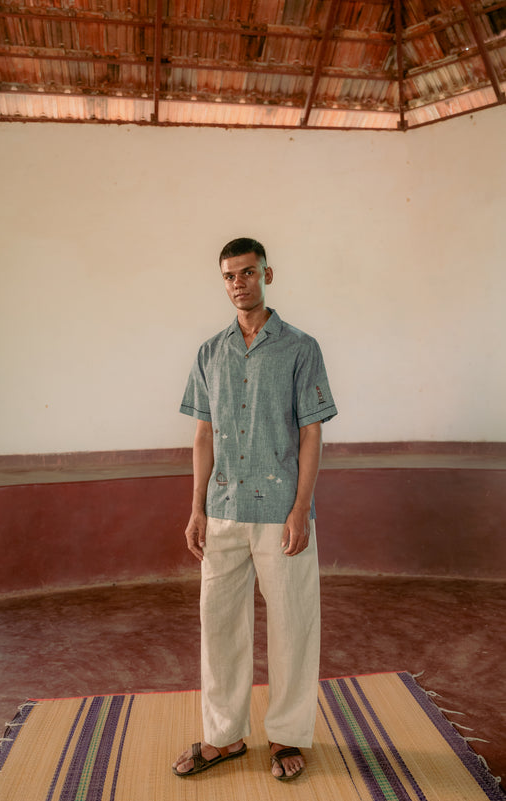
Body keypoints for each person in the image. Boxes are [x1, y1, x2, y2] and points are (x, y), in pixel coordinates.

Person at [173, 237, 337, 781]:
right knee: (218, 627)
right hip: (222, 509)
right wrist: (196, 508)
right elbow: (203, 435)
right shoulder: (208, 352)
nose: (238, 283)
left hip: (280, 512)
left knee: (292, 626)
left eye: (247, 273)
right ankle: (224, 737)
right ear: (222, 281)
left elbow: (312, 433)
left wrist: (301, 509)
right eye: (229, 276)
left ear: (268, 273)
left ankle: (288, 737)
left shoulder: (300, 347)